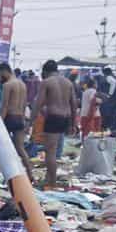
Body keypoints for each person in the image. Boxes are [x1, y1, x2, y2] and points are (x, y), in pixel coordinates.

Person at [31, 59, 76, 189]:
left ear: (45, 71)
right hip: (65, 118)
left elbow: (38, 103)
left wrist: (31, 121)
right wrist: (73, 124)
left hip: (53, 118)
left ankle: (52, 182)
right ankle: (49, 178)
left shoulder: (46, 82)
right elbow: (73, 104)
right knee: (55, 149)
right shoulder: (68, 82)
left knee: (50, 152)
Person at [0, 63, 32, 176]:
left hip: (9, 118)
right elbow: (24, 105)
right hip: (19, 118)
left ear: (4, 71)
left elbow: (5, 106)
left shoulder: (7, 85)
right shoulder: (22, 84)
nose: (0, 77)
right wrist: (23, 120)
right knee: (20, 148)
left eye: (0, 74)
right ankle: (30, 174)